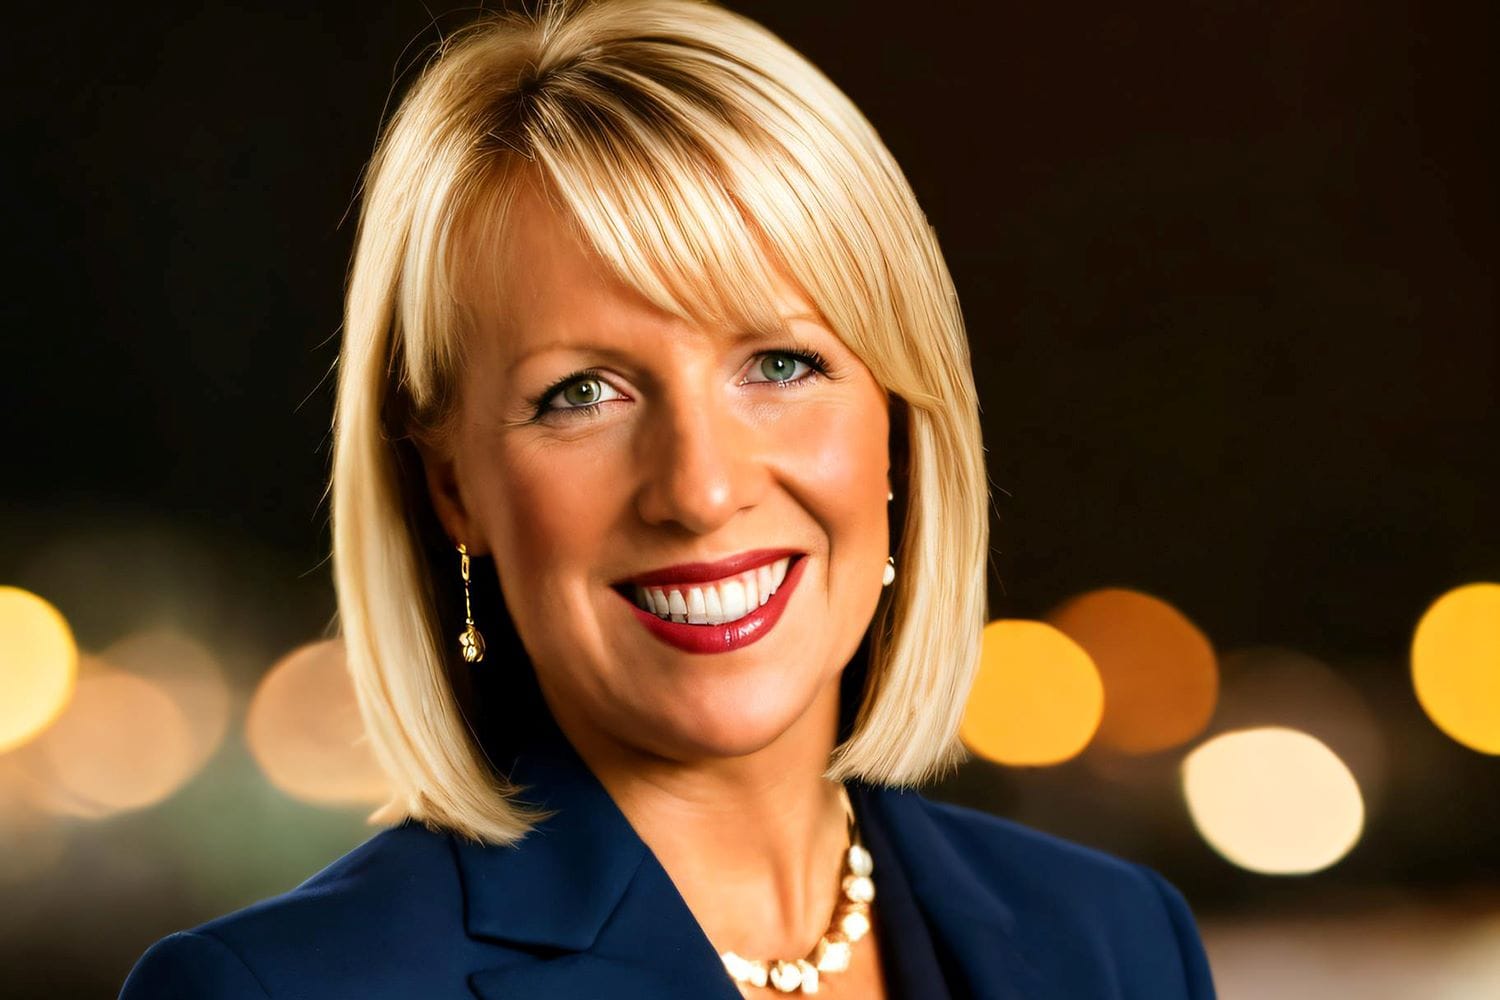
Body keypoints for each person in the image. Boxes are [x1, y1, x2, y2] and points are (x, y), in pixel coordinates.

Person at [120, 1, 1217, 996]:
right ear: (454, 486)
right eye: (580, 393)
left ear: (898, 424)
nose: (699, 487)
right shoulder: (277, 992)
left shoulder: (1120, 944)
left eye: (780, 365)